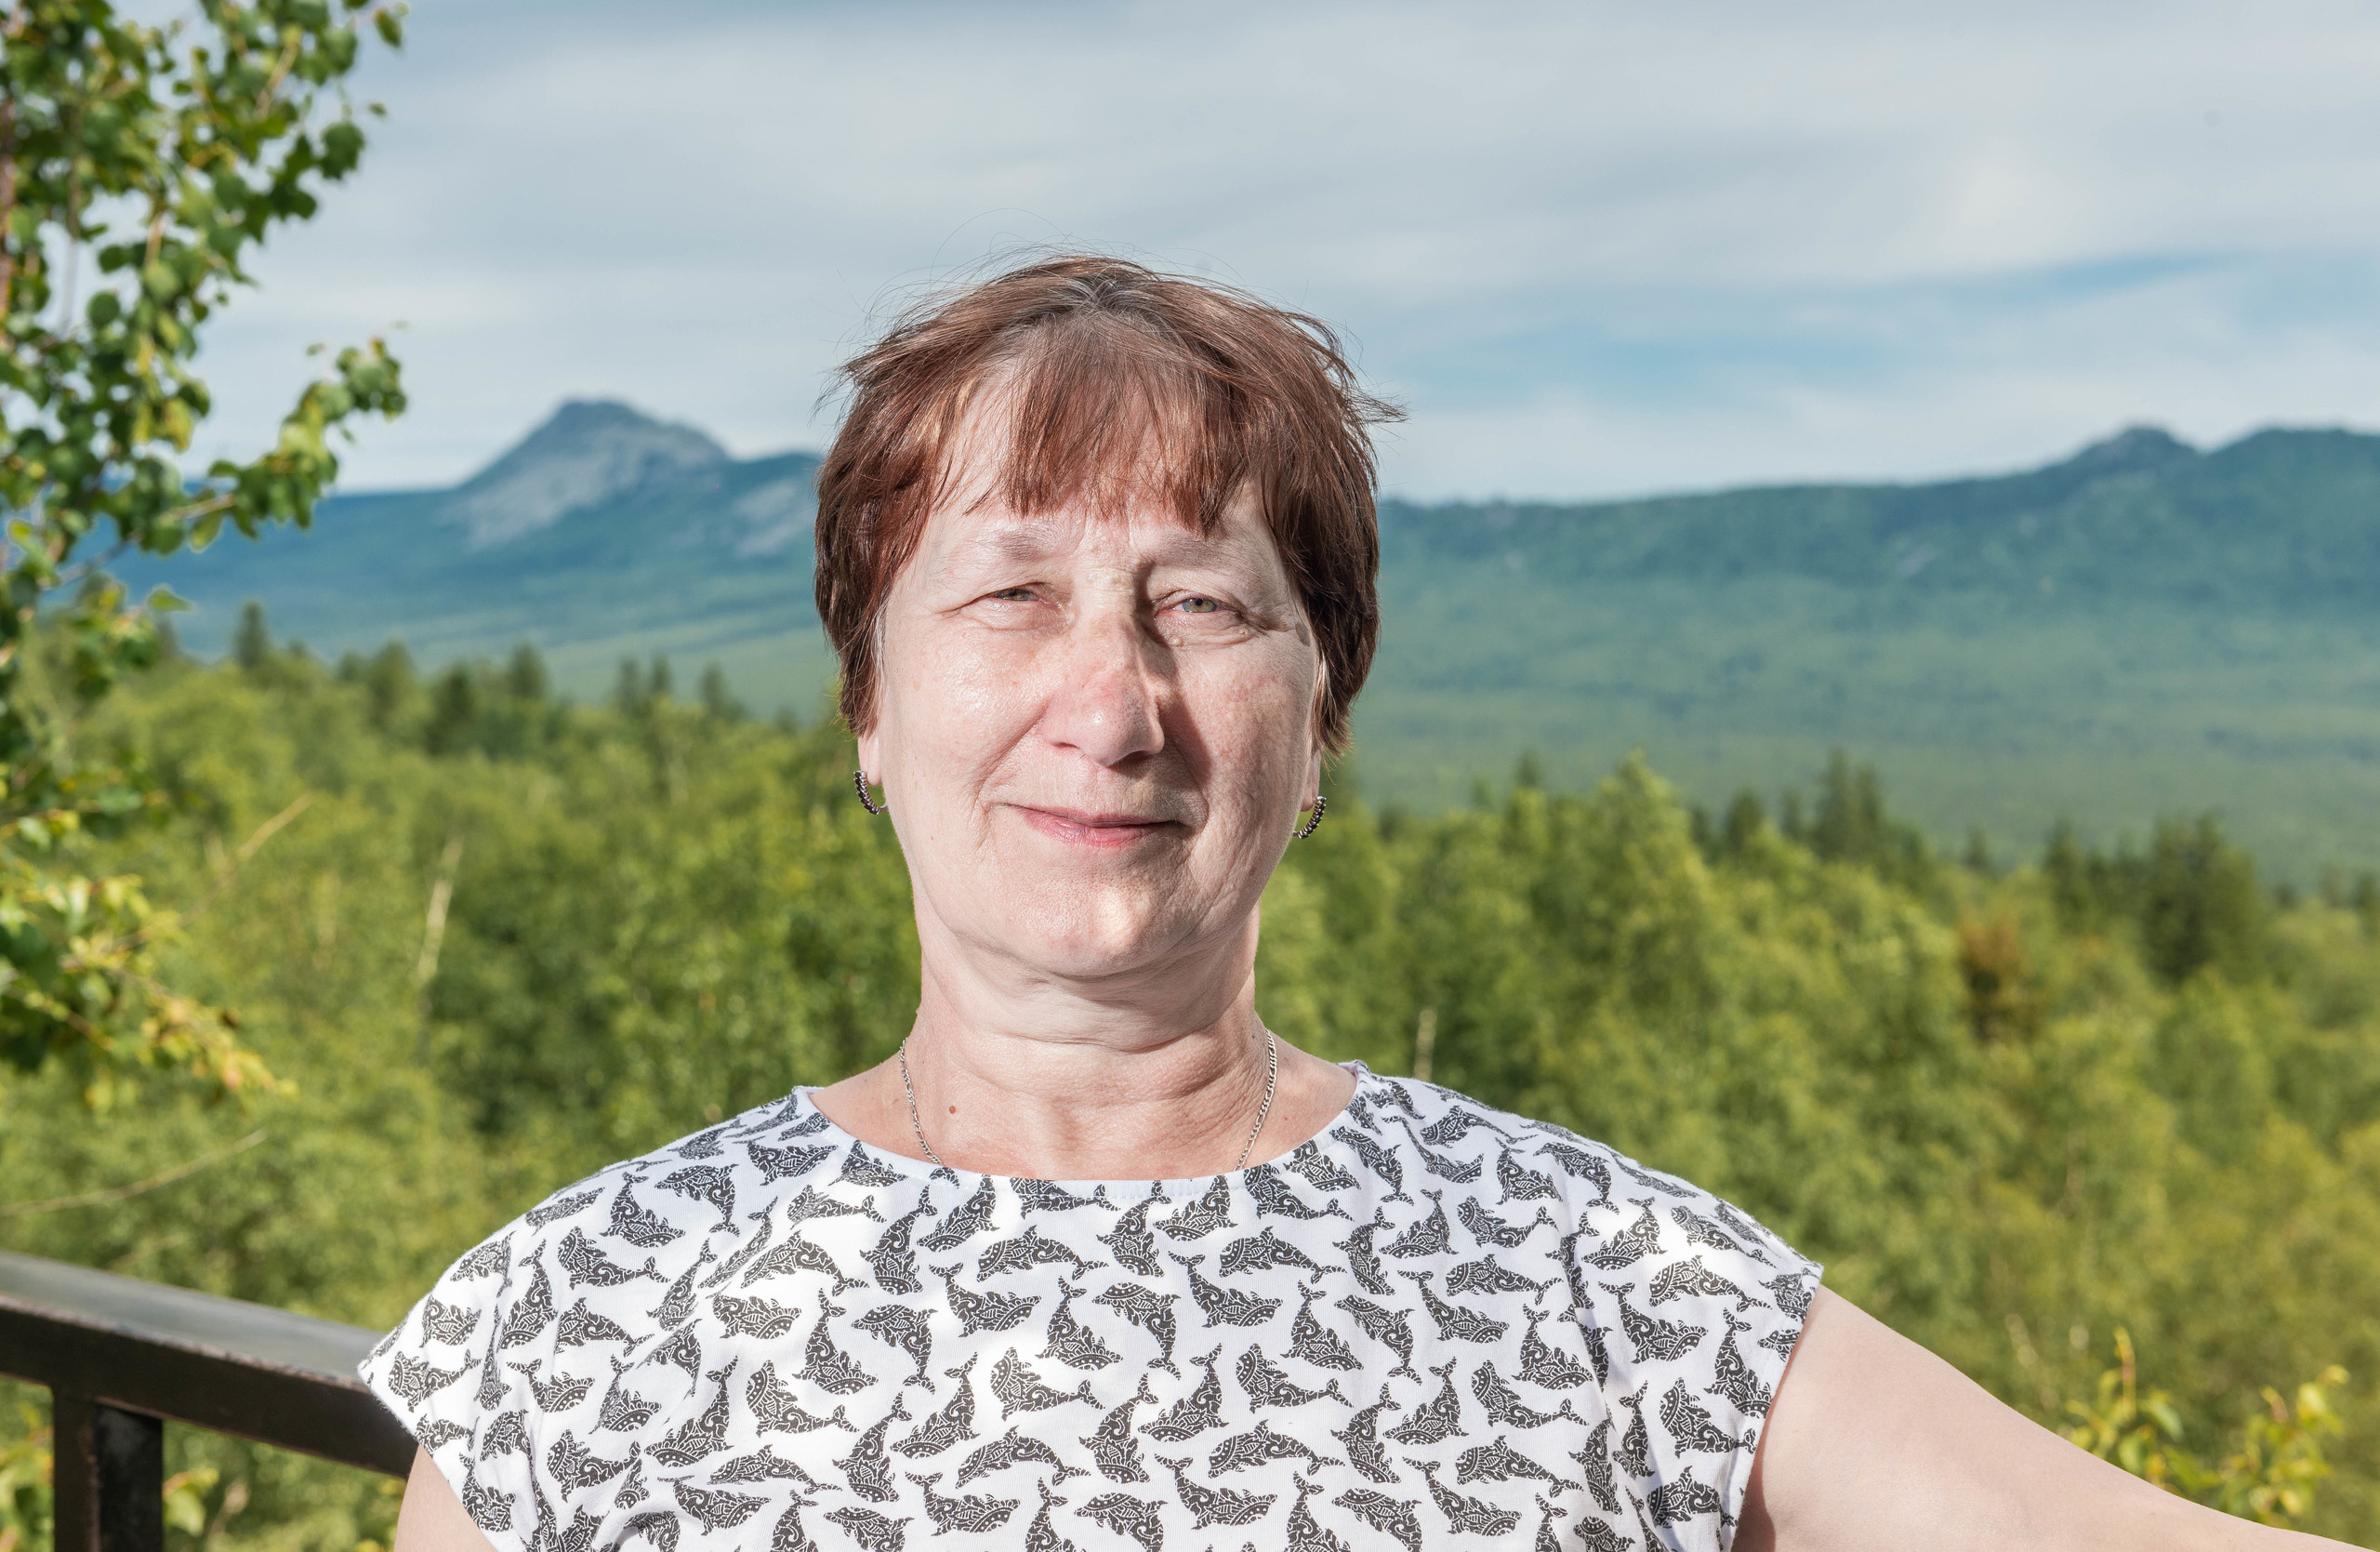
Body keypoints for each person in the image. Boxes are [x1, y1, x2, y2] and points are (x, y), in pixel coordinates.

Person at [368, 257, 2344, 1552]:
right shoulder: (577, 1319)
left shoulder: (1594, 1280)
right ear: (867, 705)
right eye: (1007, 593)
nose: (1112, 701)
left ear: (1319, 726)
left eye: (1204, 604)